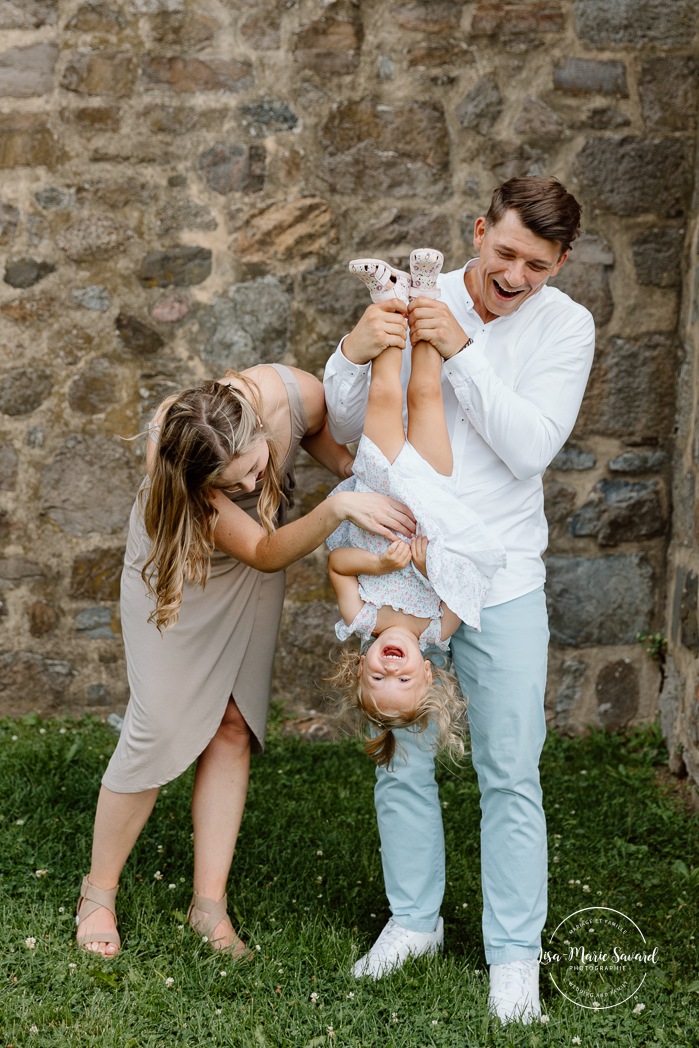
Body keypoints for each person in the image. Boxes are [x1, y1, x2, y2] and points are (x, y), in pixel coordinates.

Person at [323, 177, 595, 1024]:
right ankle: (413, 922)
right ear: (479, 232)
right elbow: (343, 422)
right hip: (397, 574)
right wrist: (352, 346)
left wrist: (465, 352)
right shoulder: (419, 292)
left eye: (536, 266)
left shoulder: (567, 326)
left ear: (560, 264)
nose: (514, 275)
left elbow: (529, 450)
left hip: (500, 572)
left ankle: (513, 956)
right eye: (504, 252)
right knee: (398, 758)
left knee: (508, 770)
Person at [75, 362, 415, 958]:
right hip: (183, 566)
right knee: (155, 729)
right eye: (233, 484)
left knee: (233, 723)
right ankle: (98, 892)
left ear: (256, 425)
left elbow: (317, 437)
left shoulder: (291, 393)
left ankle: (209, 905)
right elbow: (262, 548)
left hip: (256, 570)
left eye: (255, 467)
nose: (252, 483)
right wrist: (335, 511)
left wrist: (353, 473)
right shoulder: (178, 464)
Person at [326, 250, 505, 768]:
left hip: (382, 491)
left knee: (385, 396)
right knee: (426, 394)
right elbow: (464, 583)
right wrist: (428, 566)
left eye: (379, 678)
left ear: (360, 668)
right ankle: (426, 293)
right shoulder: (437, 631)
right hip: (432, 498)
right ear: (428, 674)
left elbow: (337, 564)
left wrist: (380, 565)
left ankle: (388, 298)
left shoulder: (360, 618)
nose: (391, 670)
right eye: (403, 680)